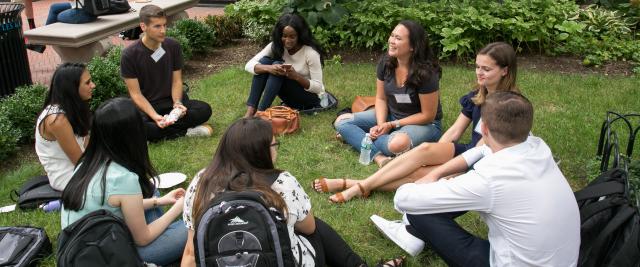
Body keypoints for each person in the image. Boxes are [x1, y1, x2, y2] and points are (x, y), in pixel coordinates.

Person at [371, 91, 581, 266]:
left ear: (485, 130)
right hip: (562, 261)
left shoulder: (490, 178)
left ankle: (411, 231)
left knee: (420, 208)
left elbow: (404, 199)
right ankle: (411, 233)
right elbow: (483, 151)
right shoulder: (539, 147)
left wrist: (433, 182)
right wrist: (437, 173)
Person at [180, 118, 404, 267]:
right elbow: (308, 228)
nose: (277, 150)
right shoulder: (281, 182)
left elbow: (191, 249)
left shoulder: (202, 180)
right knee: (315, 225)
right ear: (261, 151)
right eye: (275, 145)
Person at [315, 42, 519, 203]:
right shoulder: (477, 95)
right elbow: (456, 130)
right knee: (425, 151)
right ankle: (360, 186)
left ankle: (354, 186)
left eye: (486, 69)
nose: (479, 72)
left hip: (482, 163)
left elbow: (481, 150)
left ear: (504, 71)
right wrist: (434, 153)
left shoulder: (508, 104)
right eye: (477, 67)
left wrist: (446, 167)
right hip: (467, 149)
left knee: (417, 173)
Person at [60, 97, 187, 265]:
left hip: (81, 249)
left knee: (151, 190)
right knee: (195, 225)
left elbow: (113, 205)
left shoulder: (86, 164)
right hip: (112, 258)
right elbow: (143, 239)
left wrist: (159, 201)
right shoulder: (123, 178)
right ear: (132, 135)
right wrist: (180, 207)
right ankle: (168, 239)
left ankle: (166, 236)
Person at [334, 20, 442, 170]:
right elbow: (381, 98)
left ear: (412, 46)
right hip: (391, 116)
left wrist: (391, 125)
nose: (391, 41)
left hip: (423, 124)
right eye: (392, 36)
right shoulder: (386, 63)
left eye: (398, 38)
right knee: (341, 122)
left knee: (397, 144)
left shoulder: (426, 74)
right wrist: (380, 124)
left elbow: (428, 115)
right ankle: (378, 156)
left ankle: (357, 138)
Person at [121, 4, 212, 142]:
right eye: (157, 26)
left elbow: (177, 81)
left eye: (164, 25)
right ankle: (186, 131)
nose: (163, 30)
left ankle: (161, 131)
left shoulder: (172, 46)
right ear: (143, 26)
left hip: (170, 101)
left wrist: (177, 103)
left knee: (205, 109)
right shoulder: (129, 54)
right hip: (148, 105)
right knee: (136, 127)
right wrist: (154, 116)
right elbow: (136, 94)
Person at [244, 13, 327, 117]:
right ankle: (251, 110)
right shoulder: (276, 46)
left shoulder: (310, 53)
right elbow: (249, 65)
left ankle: (260, 113)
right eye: (284, 36)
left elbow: (318, 88)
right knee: (265, 62)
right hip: (289, 98)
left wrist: (296, 76)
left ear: (300, 35)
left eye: (292, 37)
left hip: (310, 99)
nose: (287, 41)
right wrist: (269, 68)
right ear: (279, 35)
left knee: (277, 65)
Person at [36, 63, 93, 191]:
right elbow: (79, 162)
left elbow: (88, 145)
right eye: (87, 82)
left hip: (82, 168)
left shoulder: (73, 108)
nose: (92, 85)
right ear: (72, 88)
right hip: (68, 177)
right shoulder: (57, 120)